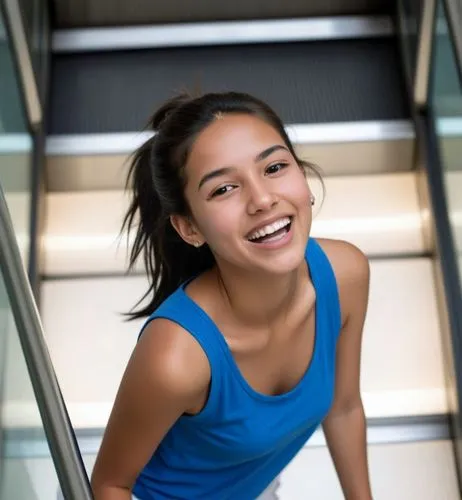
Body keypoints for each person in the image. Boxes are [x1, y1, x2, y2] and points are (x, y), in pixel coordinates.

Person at [90, 91, 372, 499]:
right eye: (223, 189)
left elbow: (343, 408)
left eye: (274, 167)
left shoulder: (345, 275)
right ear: (190, 228)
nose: (262, 200)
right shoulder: (176, 356)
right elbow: (110, 485)